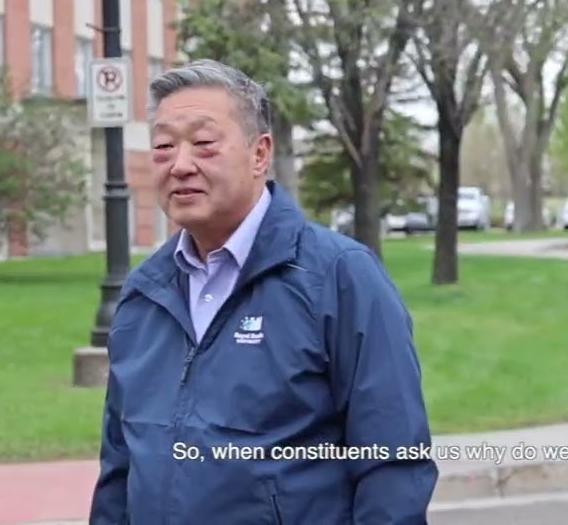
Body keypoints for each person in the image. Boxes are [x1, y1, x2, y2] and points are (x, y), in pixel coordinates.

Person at [89, 59, 437, 523]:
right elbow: (119, 469)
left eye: (204, 143)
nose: (181, 164)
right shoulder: (143, 294)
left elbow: (392, 462)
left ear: (260, 154)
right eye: (163, 147)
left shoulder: (338, 276)